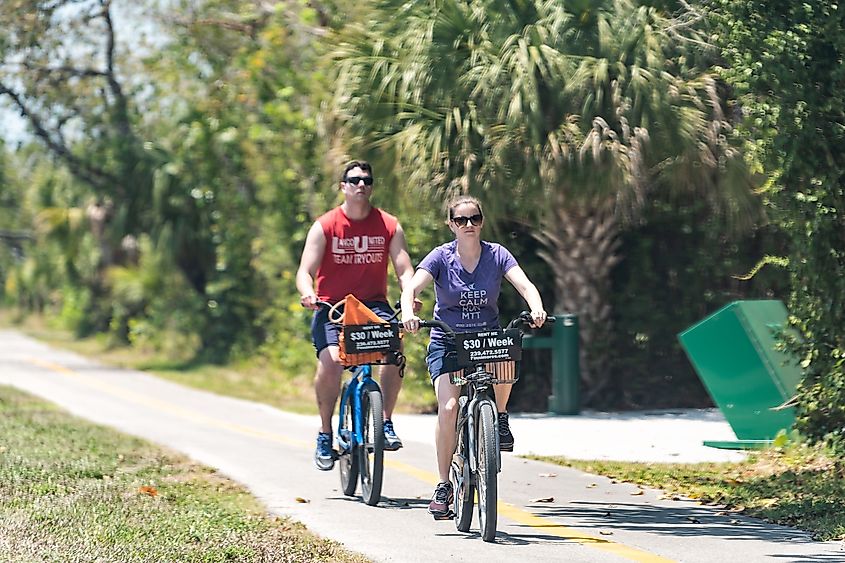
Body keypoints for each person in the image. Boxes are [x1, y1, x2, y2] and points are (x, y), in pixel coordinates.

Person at [400, 195, 547, 519]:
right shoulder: (441, 256)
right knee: (449, 407)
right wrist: (409, 312)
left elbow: (525, 284)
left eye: (475, 219)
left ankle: (502, 417)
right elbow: (411, 288)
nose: (469, 225)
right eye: (461, 220)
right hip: (449, 341)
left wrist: (536, 307)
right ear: (451, 224)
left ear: (482, 221)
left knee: (507, 346)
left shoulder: (497, 254)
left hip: (485, 338)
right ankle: (443, 484)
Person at [297, 160, 416, 471]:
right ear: (343, 186)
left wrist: (409, 295)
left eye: (366, 180)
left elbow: (405, 270)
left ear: (372, 186)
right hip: (331, 307)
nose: (360, 185)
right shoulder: (325, 226)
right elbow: (304, 271)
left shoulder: (389, 225)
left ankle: (386, 422)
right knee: (334, 362)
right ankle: (325, 433)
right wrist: (308, 293)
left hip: (372, 305)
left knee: (394, 351)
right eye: (353, 180)